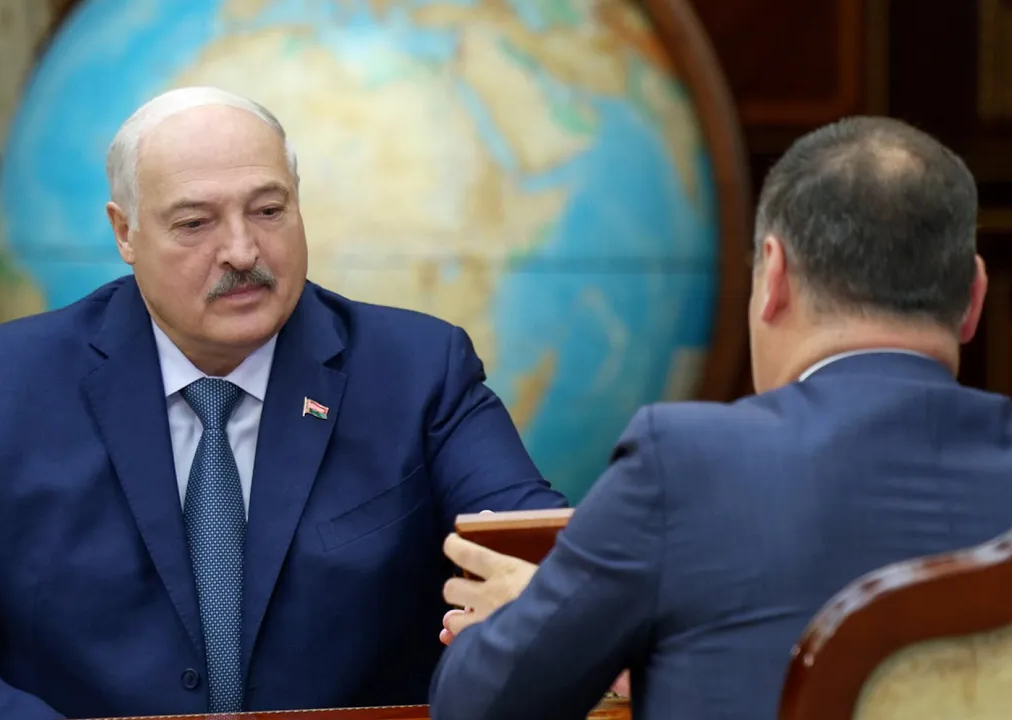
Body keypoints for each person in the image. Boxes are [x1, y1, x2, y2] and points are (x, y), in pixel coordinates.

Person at [0, 86, 567, 720]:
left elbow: (542, 565)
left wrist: (539, 608)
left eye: (268, 210)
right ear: (125, 232)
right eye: (195, 223)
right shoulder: (4, 386)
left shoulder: (418, 372)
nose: (242, 251)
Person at [429, 116, 1012, 719]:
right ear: (974, 297)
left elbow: (477, 709)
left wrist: (541, 621)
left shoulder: (684, 465)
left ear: (773, 276)